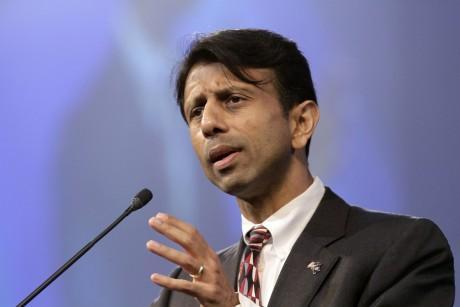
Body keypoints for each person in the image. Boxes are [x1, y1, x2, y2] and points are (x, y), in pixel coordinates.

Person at [146, 29, 455, 307]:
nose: (209, 124)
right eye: (196, 111)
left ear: (301, 122)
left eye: (233, 99)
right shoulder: (183, 294)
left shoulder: (398, 252)